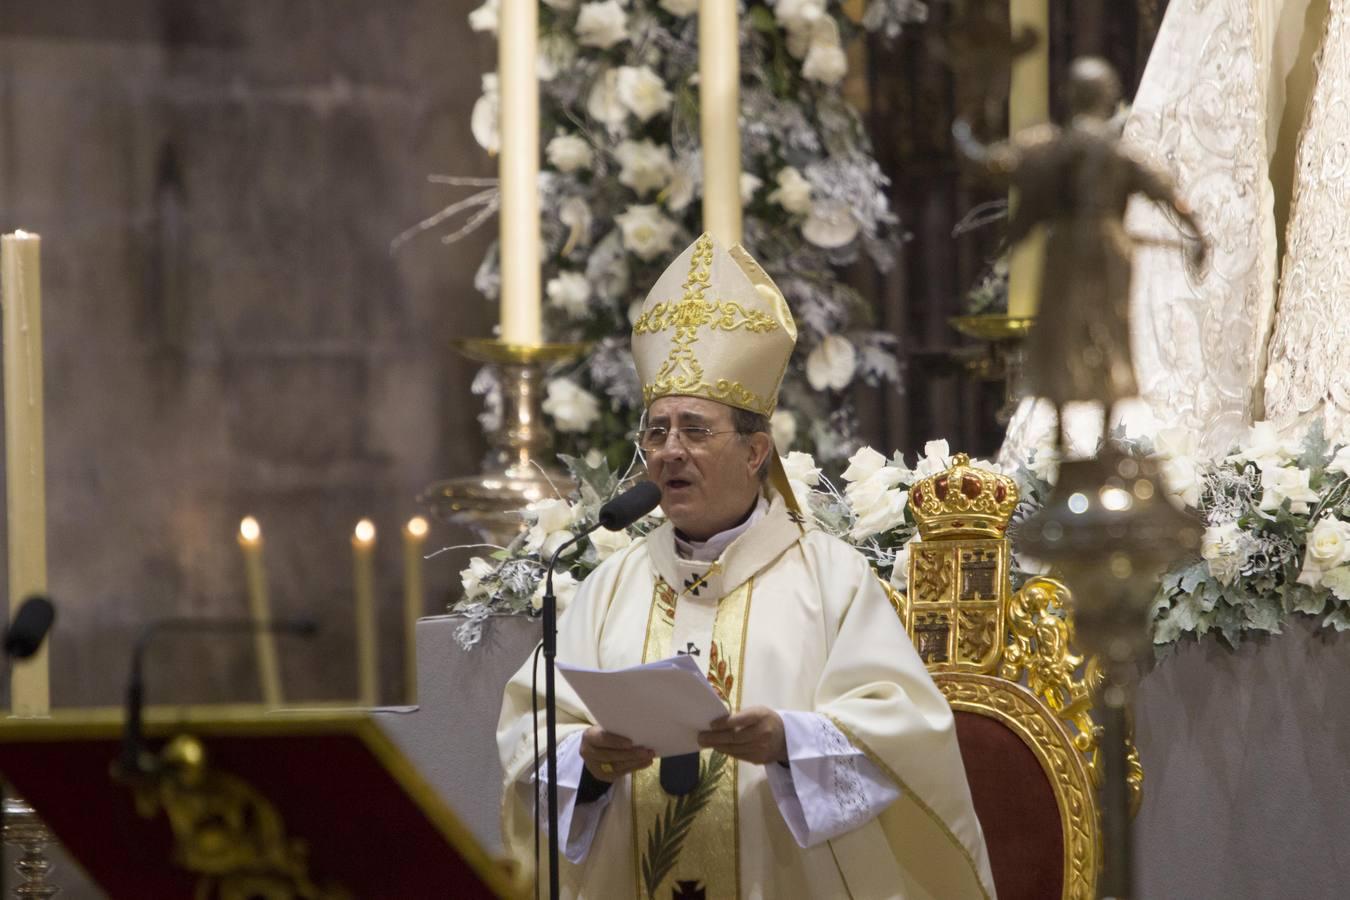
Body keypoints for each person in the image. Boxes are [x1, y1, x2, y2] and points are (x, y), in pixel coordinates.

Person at [497, 233, 995, 899]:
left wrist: (789, 740)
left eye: (696, 431)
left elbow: (908, 739)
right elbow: (531, 736)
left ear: (756, 450)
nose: (670, 451)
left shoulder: (829, 579)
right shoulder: (609, 589)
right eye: (657, 431)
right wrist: (588, 762)